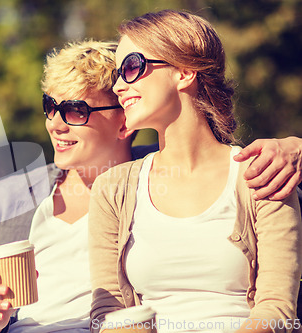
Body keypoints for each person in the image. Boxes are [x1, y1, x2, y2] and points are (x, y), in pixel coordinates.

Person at [0, 40, 302, 333]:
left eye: (75, 111)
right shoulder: (11, 195)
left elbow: (210, 159)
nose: (55, 124)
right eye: (50, 107)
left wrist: (295, 147)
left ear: (125, 123)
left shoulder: (154, 180)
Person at [88, 10, 302, 333]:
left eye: (132, 67)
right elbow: (106, 312)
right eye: (119, 73)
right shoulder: (111, 189)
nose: (118, 86)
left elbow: (276, 309)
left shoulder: (263, 173)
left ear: (185, 71)